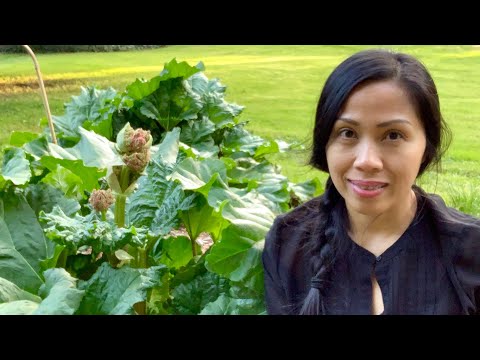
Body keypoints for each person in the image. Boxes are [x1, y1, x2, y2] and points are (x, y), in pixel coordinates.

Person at [262, 48, 480, 315]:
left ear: (427, 146)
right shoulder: (288, 242)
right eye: (347, 133)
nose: (366, 161)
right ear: (325, 142)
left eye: (393, 135)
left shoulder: (472, 250)